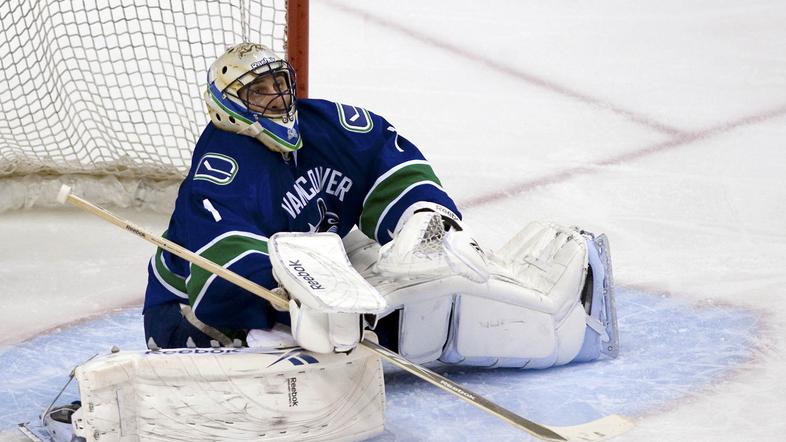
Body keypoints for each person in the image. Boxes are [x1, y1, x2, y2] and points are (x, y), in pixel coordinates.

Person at [143, 43, 618, 368]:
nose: (277, 99)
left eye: (279, 85)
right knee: (341, 338)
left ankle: (564, 321)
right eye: (259, 92)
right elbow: (223, 273)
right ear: (228, 106)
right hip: (193, 314)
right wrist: (297, 307)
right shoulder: (222, 169)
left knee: (421, 281)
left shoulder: (319, 126)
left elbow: (380, 153)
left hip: (311, 273)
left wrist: (423, 218)